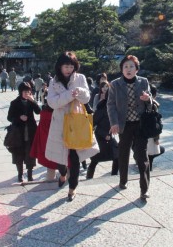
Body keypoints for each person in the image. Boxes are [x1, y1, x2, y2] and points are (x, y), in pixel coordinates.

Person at [45, 52, 99, 201]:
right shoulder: (54, 81)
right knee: (60, 158)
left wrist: (80, 92)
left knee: (75, 157)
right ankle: (62, 174)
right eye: (66, 66)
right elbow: (52, 102)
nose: (69, 69)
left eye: (71, 66)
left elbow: (87, 97)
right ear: (60, 67)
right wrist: (70, 95)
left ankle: (72, 188)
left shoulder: (80, 78)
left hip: (76, 122)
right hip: (60, 124)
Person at [108, 55, 152, 200]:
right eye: (125, 66)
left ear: (136, 69)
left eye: (131, 66)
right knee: (123, 153)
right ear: (121, 69)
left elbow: (151, 100)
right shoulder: (115, 84)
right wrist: (114, 123)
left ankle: (144, 190)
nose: (128, 69)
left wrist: (148, 99)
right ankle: (123, 180)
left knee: (142, 156)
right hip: (124, 124)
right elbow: (111, 105)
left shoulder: (143, 82)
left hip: (140, 125)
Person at [7, 82, 41, 182]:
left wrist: (34, 101)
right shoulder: (14, 103)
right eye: (25, 91)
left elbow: (38, 112)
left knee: (30, 154)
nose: (27, 93)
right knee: (19, 154)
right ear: (20, 92)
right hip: (18, 132)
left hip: (30, 131)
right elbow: (9, 117)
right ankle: (20, 175)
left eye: (29, 91)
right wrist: (19, 117)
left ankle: (30, 175)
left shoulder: (31, 101)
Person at [86, 81, 119, 179]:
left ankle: (114, 175)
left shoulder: (116, 108)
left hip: (110, 137)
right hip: (100, 138)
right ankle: (89, 178)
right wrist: (104, 134)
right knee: (95, 160)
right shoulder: (101, 109)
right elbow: (92, 124)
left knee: (117, 156)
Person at [30, 102, 58, 181]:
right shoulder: (58, 116)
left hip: (47, 145)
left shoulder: (44, 116)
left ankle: (50, 180)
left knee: (50, 165)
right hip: (60, 144)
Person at [147, 84, 165, 171]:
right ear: (154, 95)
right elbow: (155, 123)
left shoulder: (141, 102)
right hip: (151, 135)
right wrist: (156, 138)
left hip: (142, 133)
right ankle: (148, 172)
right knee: (150, 155)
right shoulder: (153, 105)